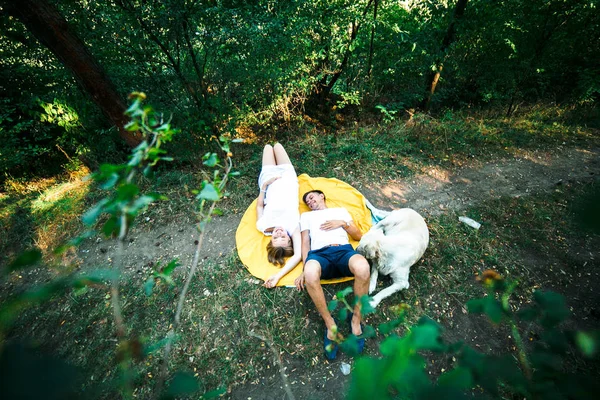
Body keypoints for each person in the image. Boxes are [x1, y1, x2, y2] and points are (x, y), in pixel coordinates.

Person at [294, 190, 370, 359]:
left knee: (363, 268)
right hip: (319, 255)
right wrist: (303, 269)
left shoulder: (340, 211)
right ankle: (331, 326)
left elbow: (358, 235)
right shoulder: (306, 216)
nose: (310, 201)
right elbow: (305, 242)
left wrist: (342, 223)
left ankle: (356, 320)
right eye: (307, 201)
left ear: (322, 196)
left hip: (343, 250)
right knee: (310, 274)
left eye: (312, 197)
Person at [256, 143, 302, 288]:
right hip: (288, 177)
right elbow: (298, 255)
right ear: (289, 239)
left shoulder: (263, 227)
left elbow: (259, 206)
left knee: (268, 147)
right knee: (277, 146)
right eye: (283, 237)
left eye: (276, 238)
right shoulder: (293, 226)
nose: (280, 233)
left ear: (271, 240)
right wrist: (278, 276)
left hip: (269, 180)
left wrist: (264, 186)